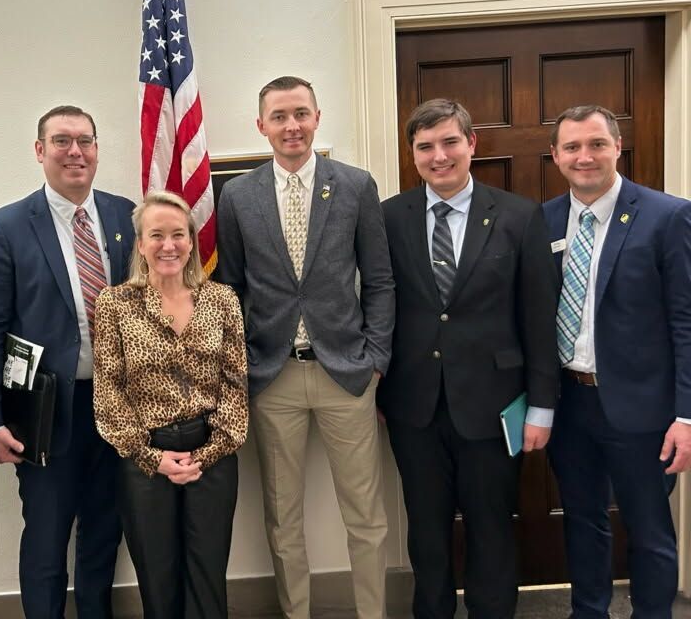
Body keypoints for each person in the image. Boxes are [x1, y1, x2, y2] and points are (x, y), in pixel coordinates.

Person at [215, 76, 395, 619]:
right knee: (282, 516)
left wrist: (376, 359)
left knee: (365, 513)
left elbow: (379, 280)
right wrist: (243, 364)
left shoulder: (356, 186)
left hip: (347, 374)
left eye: (300, 113)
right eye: (279, 116)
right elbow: (231, 287)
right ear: (261, 125)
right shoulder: (237, 196)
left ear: (317, 117)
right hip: (273, 377)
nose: (291, 125)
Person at [378, 98, 559, 619]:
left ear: (472, 143)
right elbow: (379, 304)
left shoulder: (519, 216)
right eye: (425, 146)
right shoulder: (388, 218)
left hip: (494, 405)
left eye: (450, 142)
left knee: (491, 527)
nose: (439, 156)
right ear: (413, 154)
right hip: (413, 407)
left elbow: (538, 318)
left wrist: (542, 406)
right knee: (426, 530)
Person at [0, 105, 136, 618]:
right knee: (46, 533)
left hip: (119, 405)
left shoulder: (125, 216)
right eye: (62, 141)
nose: (74, 152)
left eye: (85, 141)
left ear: (97, 150)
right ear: (40, 151)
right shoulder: (9, 226)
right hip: (45, 410)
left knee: (104, 529)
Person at [544, 104, 691, 619]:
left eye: (596, 144)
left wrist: (687, 416)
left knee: (649, 530)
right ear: (556, 156)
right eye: (572, 147)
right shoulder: (542, 220)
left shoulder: (668, 216)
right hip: (569, 404)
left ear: (617, 147)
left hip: (643, 410)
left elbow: (686, 322)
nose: (584, 156)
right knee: (582, 522)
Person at [93, 190, 248, 619]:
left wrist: (206, 454)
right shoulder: (115, 304)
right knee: (157, 578)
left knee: (208, 575)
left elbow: (235, 384)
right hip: (144, 459)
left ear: (192, 241)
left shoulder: (222, 300)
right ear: (140, 244)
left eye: (178, 234)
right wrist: (152, 458)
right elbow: (108, 392)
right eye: (156, 235)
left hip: (212, 455)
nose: (168, 245)